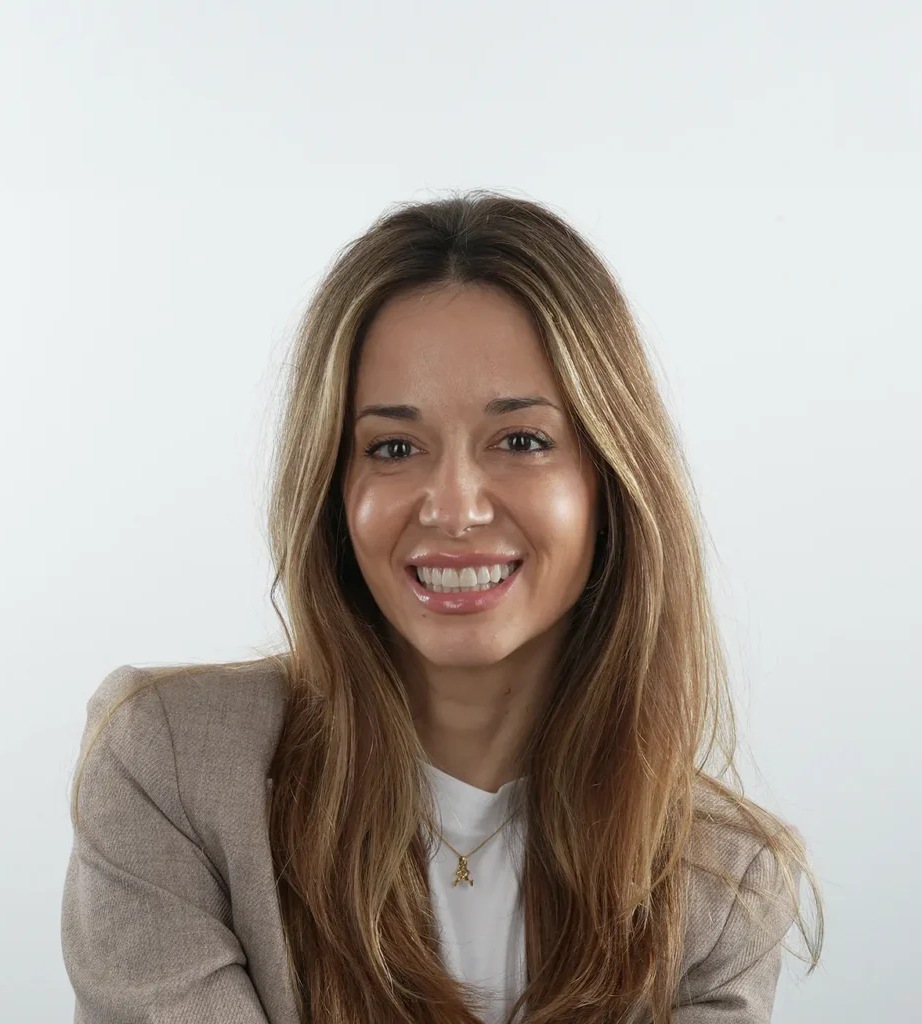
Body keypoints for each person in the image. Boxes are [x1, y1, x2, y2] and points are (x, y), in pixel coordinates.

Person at [61, 191, 823, 1023]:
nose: (455, 507)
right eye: (393, 447)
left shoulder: (726, 879)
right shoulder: (171, 766)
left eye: (522, 441)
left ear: (609, 481)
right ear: (333, 492)